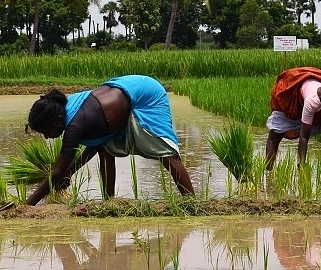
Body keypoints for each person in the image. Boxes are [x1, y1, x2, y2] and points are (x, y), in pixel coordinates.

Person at [24, 74, 195, 205]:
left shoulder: (75, 126)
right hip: (123, 90)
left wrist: (28, 205)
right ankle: (109, 201)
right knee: (106, 149)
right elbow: (96, 143)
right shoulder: (68, 108)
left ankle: (191, 203)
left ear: (56, 121)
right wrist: (71, 170)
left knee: (165, 153)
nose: (46, 136)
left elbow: (56, 171)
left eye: (46, 131)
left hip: (146, 95)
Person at [265, 67, 321, 170]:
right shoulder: (313, 101)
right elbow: (304, 137)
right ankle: (268, 171)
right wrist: (302, 164)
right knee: (275, 134)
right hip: (298, 103)